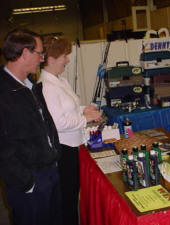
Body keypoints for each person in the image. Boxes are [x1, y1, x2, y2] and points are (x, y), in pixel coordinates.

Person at [0, 29, 62, 225]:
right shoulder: (4, 92)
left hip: (50, 171)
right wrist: (26, 182)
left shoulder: (31, 85)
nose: (42, 59)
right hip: (29, 182)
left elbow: (45, 125)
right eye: (40, 53)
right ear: (25, 53)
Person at [39, 36, 102, 225]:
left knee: (73, 193)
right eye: (64, 56)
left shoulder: (60, 81)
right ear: (51, 59)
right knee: (67, 197)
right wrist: (85, 119)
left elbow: (69, 106)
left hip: (74, 146)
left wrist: (83, 109)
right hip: (63, 149)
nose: (67, 60)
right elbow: (58, 122)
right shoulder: (47, 87)